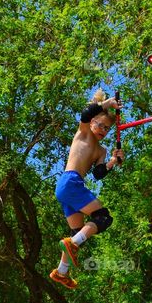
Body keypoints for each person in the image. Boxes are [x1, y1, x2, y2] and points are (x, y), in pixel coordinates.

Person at [50, 89, 125, 289]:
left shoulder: (102, 150)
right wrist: (107, 103)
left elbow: (98, 174)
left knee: (77, 231)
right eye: (99, 124)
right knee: (103, 218)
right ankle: (72, 244)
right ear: (91, 123)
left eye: (107, 128)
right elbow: (85, 114)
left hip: (69, 188)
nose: (102, 130)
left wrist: (112, 162)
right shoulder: (82, 133)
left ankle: (62, 272)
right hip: (70, 181)